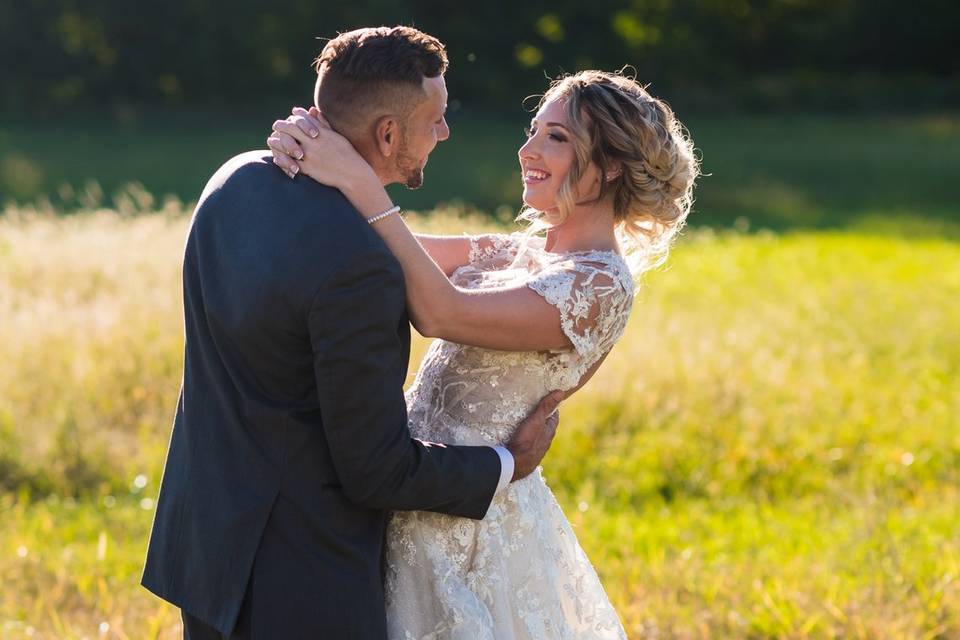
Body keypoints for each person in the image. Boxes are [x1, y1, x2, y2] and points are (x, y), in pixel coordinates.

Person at [141, 26, 565, 640]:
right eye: (436, 119)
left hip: (209, 547)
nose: (445, 133)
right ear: (388, 134)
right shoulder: (359, 267)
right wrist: (505, 463)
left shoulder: (234, 180)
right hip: (303, 579)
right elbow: (376, 469)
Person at [267, 60, 700, 638]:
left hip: (467, 530)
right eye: (533, 130)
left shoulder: (599, 287)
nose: (528, 149)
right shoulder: (513, 252)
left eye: (557, 138)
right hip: (409, 492)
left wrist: (361, 183)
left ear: (611, 166)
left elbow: (442, 311)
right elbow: (384, 248)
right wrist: (325, 147)